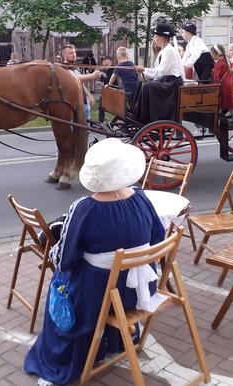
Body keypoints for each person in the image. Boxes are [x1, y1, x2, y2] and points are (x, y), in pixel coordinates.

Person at [24, 138, 166, 385]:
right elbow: (158, 236)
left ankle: (75, 355)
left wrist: (55, 253)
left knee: (60, 281)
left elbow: (65, 259)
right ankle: (115, 340)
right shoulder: (141, 197)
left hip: (99, 297)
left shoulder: (84, 208)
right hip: (137, 292)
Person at [133, 23, 184, 124]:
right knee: (139, 83)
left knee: (147, 87)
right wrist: (144, 72)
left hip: (171, 82)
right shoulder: (163, 51)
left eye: (156, 36)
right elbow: (157, 70)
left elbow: (161, 71)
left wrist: (144, 70)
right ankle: (136, 112)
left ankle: (145, 117)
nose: (155, 38)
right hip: (165, 80)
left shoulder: (170, 51)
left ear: (163, 37)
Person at [60, 44, 101, 121]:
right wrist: (92, 76)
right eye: (71, 53)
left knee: (86, 128)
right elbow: (74, 78)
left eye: (74, 53)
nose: (74, 55)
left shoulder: (75, 66)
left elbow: (80, 82)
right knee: (76, 129)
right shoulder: (63, 68)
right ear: (64, 55)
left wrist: (89, 95)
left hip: (83, 102)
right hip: (73, 104)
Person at [211, 44, 233, 122]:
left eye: (212, 54)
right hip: (231, 83)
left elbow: (216, 77)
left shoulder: (218, 63)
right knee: (230, 102)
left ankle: (217, 120)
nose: (211, 56)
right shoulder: (227, 61)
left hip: (224, 85)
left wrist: (215, 86)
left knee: (220, 102)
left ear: (216, 54)